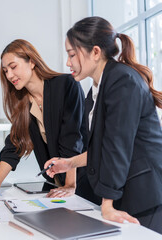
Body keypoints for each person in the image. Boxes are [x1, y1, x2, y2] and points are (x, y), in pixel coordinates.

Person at [45, 16, 162, 233]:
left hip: (145, 195)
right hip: (126, 192)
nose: (68, 62)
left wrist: (107, 203)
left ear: (96, 52)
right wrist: (69, 163)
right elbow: (100, 148)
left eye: (72, 54)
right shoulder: (97, 89)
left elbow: (116, 145)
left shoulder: (122, 81)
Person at [0, 39, 97, 203]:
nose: (9, 75)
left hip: (83, 181)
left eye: (13, 67)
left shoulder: (65, 85)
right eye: (5, 71)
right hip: (56, 184)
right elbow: (14, 145)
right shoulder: (23, 102)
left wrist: (70, 184)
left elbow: (73, 137)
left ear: (32, 62)